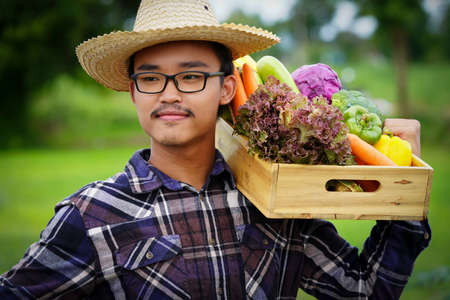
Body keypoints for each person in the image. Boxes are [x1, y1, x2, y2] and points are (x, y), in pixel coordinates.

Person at [0, 0, 430, 299]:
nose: (168, 93)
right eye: (150, 78)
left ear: (226, 88)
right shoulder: (92, 216)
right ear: (134, 92)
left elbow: (363, 289)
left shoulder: (274, 202)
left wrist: (404, 188)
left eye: (190, 77)